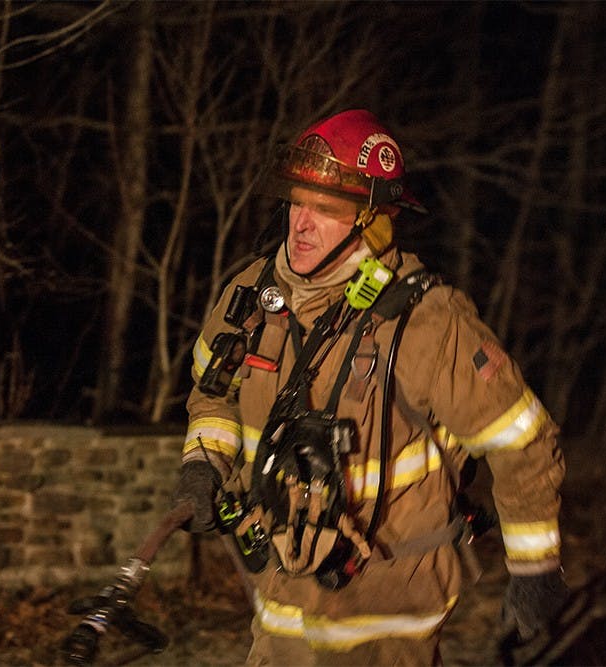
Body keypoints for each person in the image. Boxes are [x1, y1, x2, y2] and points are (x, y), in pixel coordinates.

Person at [173, 109, 567, 666]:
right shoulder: (251, 296)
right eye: (296, 201)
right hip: (281, 586)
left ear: (373, 221)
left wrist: (535, 568)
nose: (300, 224)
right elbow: (213, 392)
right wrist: (202, 464)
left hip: (388, 597)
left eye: (326, 209)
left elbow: (522, 440)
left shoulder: (428, 322)